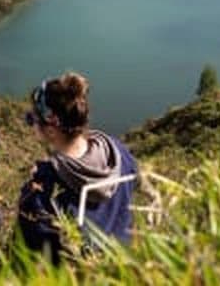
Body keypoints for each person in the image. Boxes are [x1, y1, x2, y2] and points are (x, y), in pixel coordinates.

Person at [18, 72, 138, 264]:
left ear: (51, 130)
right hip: (126, 263)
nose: (30, 124)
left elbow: (33, 255)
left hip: (81, 274)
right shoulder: (117, 152)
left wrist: (37, 184)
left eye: (32, 119)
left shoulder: (43, 191)